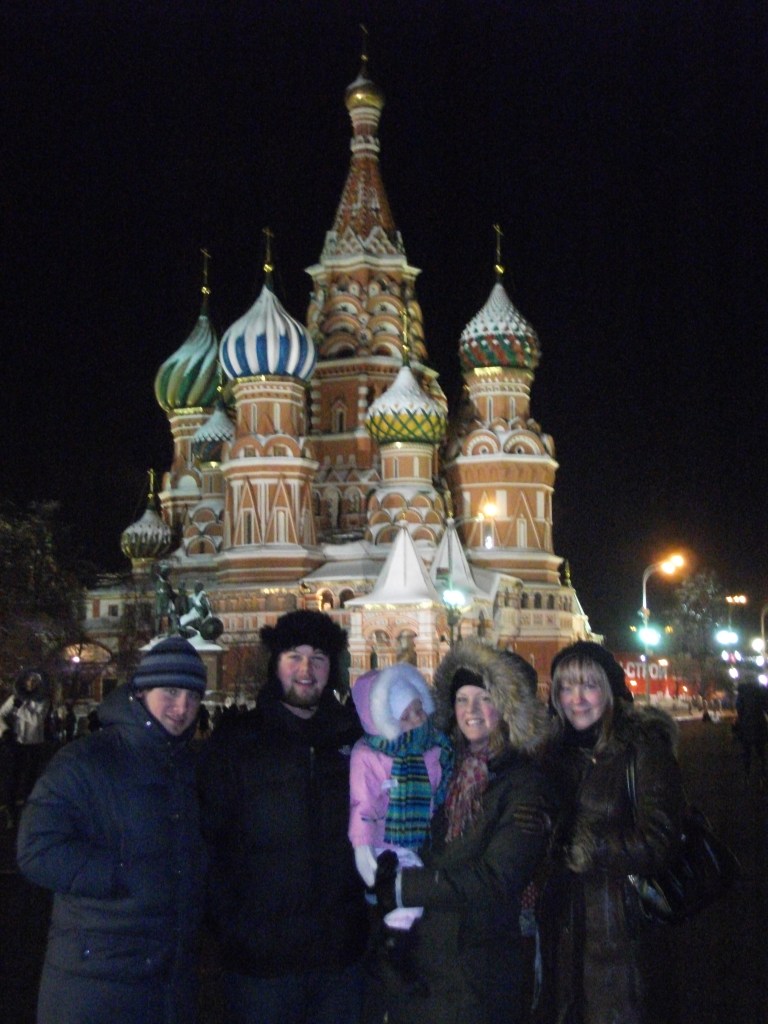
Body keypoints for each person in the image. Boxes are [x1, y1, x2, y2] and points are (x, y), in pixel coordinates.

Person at [17, 637, 209, 1024]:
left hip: (166, 981)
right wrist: (118, 874)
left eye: (192, 696)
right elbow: (36, 850)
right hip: (95, 980)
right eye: (171, 692)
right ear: (141, 692)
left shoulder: (190, 766)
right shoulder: (85, 759)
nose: (182, 708)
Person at [371, 638, 554, 1024]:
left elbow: (496, 878)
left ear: (507, 708)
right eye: (461, 699)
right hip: (424, 961)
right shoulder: (444, 766)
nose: (470, 711)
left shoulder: (523, 782)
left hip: (477, 967)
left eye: (484, 699)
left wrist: (405, 887)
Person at [199, 609, 369, 1024]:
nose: (306, 671)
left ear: (332, 668)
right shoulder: (238, 741)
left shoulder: (354, 740)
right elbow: (208, 839)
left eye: (318, 658)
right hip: (261, 961)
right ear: (275, 664)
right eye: (294, 656)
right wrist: (231, 927)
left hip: (339, 957)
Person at [537, 641, 686, 1024]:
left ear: (610, 690)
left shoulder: (641, 748)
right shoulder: (552, 753)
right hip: (564, 933)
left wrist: (586, 847)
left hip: (621, 934)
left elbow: (659, 841)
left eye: (589, 685)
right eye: (566, 688)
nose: (576, 699)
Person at [0, 667, 50, 828]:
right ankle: (11, 813)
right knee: (11, 779)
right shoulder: (16, 697)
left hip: (33, 746)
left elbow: (36, 720)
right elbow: (1, 714)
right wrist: (4, 731)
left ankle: (29, 815)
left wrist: (20, 708)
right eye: (29, 680)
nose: (31, 683)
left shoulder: (42, 700)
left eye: (34, 680)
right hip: (16, 744)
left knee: (30, 780)